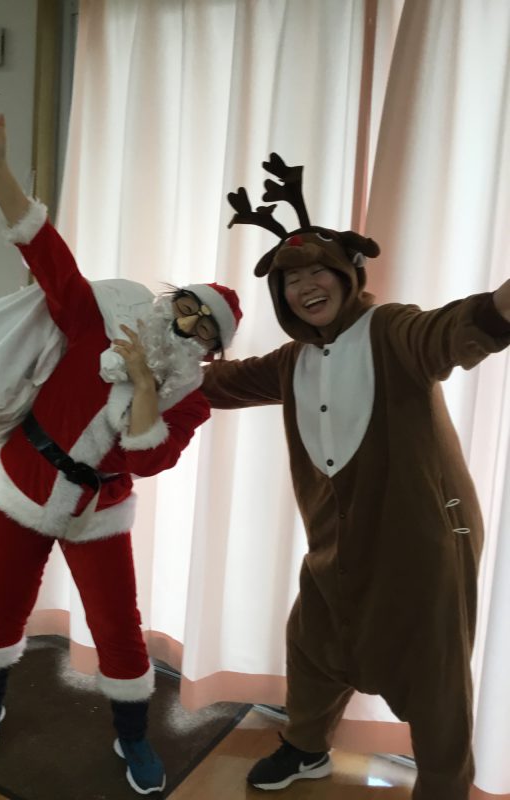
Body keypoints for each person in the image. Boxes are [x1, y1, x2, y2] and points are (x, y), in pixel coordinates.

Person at [0, 101, 242, 796]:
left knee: (119, 630)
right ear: (170, 302)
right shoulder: (91, 322)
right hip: (19, 485)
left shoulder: (189, 399)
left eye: (205, 327)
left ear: (210, 350)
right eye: (187, 305)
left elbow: (146, 460)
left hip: (98, 510)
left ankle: (132, 737)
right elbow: (43, 250)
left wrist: (143, 384)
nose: (189, 322)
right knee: (0, 609)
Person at [201, 153, 510, 800]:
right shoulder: (292, 361)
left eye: (318, 270)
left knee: (434, 674)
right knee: (314, 641)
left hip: (424, 539)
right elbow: (221, 384)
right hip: (336, 542)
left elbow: (455, 330)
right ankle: (306, 747)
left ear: (347, 274)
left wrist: (499, 308)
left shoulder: (391, 330)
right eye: (290, 279)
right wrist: (141, 372)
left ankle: (444, 787)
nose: (305, 286)